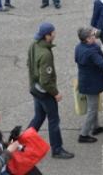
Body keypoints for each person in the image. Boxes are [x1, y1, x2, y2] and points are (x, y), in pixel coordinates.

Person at [26, 22, 74, 159]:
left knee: (38, 117)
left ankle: (22, 143)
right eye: (53, 33)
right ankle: (57, 149)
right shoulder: (45, 54)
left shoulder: (33, 45)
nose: (55, 34)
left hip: (35, 88)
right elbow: (45, 81)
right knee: (53, 120)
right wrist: (56, 93)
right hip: (44, 93)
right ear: (47, 36)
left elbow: (29, 64)